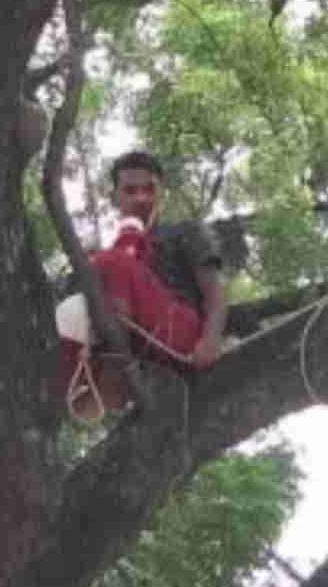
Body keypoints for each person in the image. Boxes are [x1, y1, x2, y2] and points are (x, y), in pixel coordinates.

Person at [56, 150, 228, 419]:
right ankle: (76, 387)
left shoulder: (185, 231)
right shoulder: (113, 253)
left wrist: (211, 339)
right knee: (68, 308)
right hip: (142, 347)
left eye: (149, 189)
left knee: (108, 260)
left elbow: (214, 289)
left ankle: (115, 367)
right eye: (130, 190)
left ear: (160, 192)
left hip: (182, 334)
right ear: (115, 197)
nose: (141, 198)